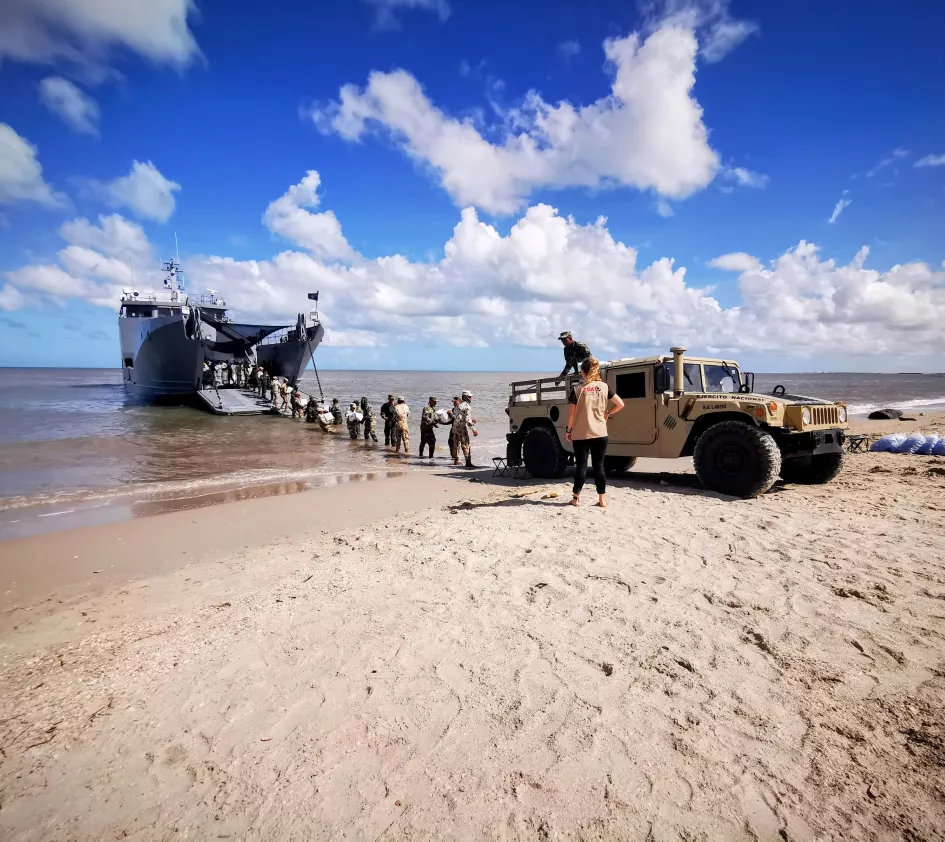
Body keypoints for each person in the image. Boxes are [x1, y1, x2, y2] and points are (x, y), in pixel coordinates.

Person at [566, 356, 625, 508]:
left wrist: (569, 430)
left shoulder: (577, 389)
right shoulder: (604, 387)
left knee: (581, 467)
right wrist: (608, 413)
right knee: (599, 466)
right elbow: (621, 404)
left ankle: (576, 498)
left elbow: (572, 414)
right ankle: (602, 500)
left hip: (581, 434)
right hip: (600, 433)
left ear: (584, 372)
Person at [452, 390, 478, 468]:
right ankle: (468, 462)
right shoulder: (467, 406)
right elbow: (468, 420)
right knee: (466, 445)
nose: (471, 399)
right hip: (462, 428)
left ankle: (456, 461)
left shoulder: (458, 406)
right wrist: (474, 429)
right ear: (466, 397)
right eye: (470, 397)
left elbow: (455, 416)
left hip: (455, 428)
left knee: (456, 445)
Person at [447, 396, 460, 462]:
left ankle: (456, 458)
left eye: (455, 402)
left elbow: (456, 419)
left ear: (459, 401)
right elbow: (452, 420)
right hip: (453, 428)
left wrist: (450, 414)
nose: (454, 403)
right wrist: (443, 422)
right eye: (453, 402)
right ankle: (453, 457)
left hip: (459, 429)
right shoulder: (453, 409)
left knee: (457, 444)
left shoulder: (460, 409)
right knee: (450, 442)